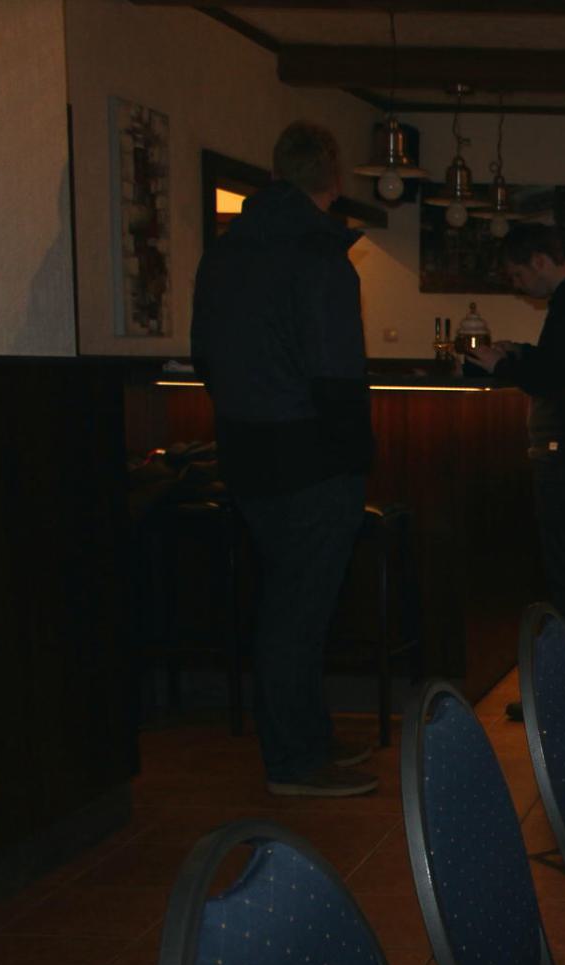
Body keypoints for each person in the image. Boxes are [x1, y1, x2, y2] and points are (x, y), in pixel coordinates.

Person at [190, 120, 376, 797]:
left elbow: (205, 359)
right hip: (310, 458)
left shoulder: (224, 253)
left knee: (285, 604)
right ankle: (295, 758)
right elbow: (337, 377)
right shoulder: (320, 256)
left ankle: (309, 738)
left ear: (275, 174)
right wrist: (355, 459)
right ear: (333, 180)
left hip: (246, 453)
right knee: (300, 614)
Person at [465, 223, 565, 704]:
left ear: (539, 261)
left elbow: (563, 378)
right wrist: (524, 353)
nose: (518, 285)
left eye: (517, 275)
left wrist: (504, 365)